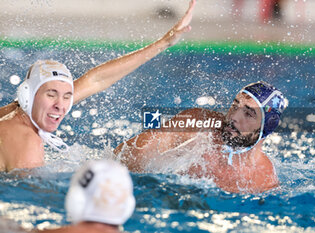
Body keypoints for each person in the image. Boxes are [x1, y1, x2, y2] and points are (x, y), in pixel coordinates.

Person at [0, 0, 196, 172]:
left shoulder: (24, 112)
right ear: (27, 95)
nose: (60, 105)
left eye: (68, 96)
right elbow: (34, 202)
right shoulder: (27, 141)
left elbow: (95, 80)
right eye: (51, 94)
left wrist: (163, 43)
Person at [114, 81, 288, 193]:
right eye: (235, 106)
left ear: (265, 128)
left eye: (248, 114)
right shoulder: (199, 123)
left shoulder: (263, 180)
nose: (234, 116)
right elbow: (124, 155)